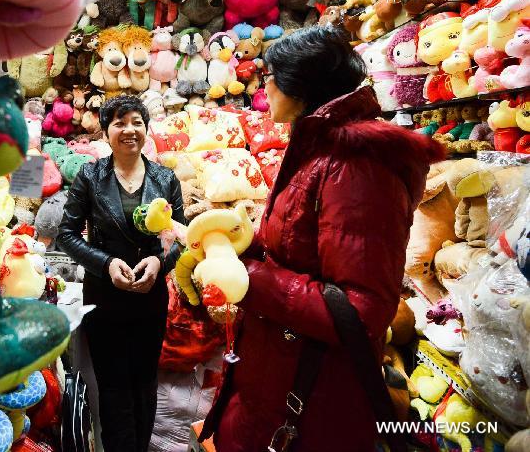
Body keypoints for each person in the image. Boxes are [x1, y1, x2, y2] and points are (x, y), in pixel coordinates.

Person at [204, 26, 444, 452]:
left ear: (300, 84)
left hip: (312, 396)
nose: (266, 85)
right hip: (278, 376)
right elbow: (301, 249)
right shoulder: (318, 149)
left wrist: (250, 278)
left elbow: (362, 308)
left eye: (271, 74)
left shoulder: (356, 164)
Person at [57, 94, 186, 452]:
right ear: (106, 130)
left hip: (150, 296)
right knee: (113, 385)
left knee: (144, 383)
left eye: (136, 123)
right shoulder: (90, 176)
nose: (129, 130)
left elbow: (183, 236)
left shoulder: (165, 178)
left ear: (146, 129)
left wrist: (161, 262)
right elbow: (66, 234)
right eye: (119, 122)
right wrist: (104, 263)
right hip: (104, 297)